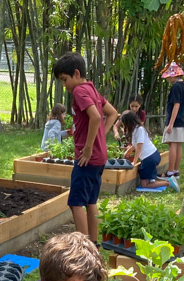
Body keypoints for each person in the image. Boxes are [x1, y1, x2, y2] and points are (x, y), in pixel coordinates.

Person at [52, 52, 118, 242]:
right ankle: (93, 244)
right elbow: (112, 113)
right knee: (90, 201)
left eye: (65, 80)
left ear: (76, 73)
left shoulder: (80, 91)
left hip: (86, 157)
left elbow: (97, 117)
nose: (65, 86)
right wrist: (100, 137)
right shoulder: (92, 89)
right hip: (99, 158)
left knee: (75, 203)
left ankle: (82, 247)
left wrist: (89, 146)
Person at [121, 111, 176, 191]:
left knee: (144, 185)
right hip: (152, 156)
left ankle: (169, 183)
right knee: (144, 173)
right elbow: (136, 144)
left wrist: (134, 162)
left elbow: (139, 147)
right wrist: (128, 151)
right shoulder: (136, 130)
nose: (124, 126)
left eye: (124, 124)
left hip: (149, 158)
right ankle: (152, 178)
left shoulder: (139, 129)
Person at [161, 63, 184, 179]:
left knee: (172, 144)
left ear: (173, 76)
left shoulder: (175, 87)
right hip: (183, 119)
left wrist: (170, 123)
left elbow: (176, 104)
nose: (168, 79)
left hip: (175, 120)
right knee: (178, 144)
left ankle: (170, 172)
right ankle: (176, 170)